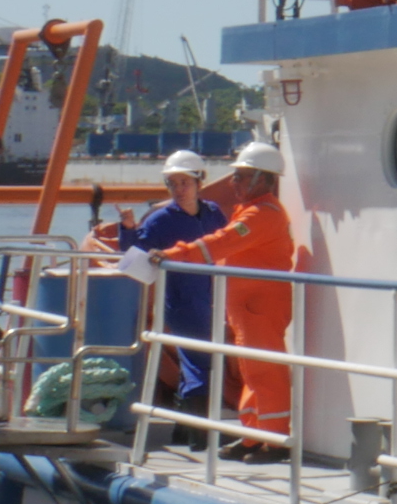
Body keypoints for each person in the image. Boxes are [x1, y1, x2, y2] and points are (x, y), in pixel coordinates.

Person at [159, 139, 297, 460]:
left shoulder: (261, 215)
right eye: (236, 176)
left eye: (241, 176)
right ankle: (253, 435)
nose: (233, 182)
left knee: (265, 371)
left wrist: (172, 254)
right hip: (249, 307)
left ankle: (276, 440)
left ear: (264, 179)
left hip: (260, 307)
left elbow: (221, 243)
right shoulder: (252, 212)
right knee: (251, 370)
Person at [95, 150, 228, 416]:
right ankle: (197, 426)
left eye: (184, 182)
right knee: (198, 361)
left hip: (211, 298)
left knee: (201, 359)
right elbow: (134, 254)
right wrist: (129, 228)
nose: (179, 189)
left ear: (199, 182)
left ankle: (187, 426)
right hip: (180, 300)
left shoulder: (213, 213)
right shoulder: (161, 220)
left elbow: (227, 242)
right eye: (173, 183)